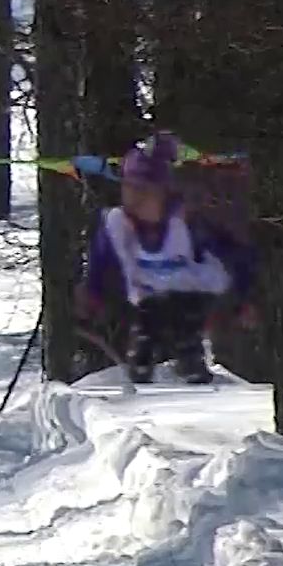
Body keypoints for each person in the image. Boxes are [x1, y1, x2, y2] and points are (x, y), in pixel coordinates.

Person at [77, 134, 254, 384]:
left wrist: (242, 300)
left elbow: (236, 256)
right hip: (151, 293)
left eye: (143, 191)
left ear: (164, 193)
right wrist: (92, 297)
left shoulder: (187, 223)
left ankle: (193, 368)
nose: (134, 198)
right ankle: (141, 372)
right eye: (128, 188)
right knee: (146, 331)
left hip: (195, 290)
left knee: (184, 326)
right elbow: (100, 262)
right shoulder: (117, 224)